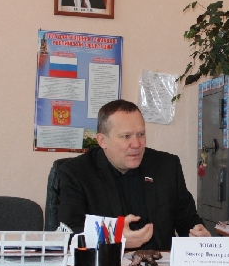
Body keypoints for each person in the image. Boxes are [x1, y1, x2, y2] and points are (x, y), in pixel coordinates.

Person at [58, 99, 210, 250]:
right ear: (102, 140)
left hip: (160, 263)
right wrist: (115, 238)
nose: (137, 144)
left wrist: (197, 233)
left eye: (141, 134)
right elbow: (70, 234)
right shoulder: (76, 173)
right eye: (126, 136)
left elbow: (186, 219)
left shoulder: (166, 166)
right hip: (108, 264)